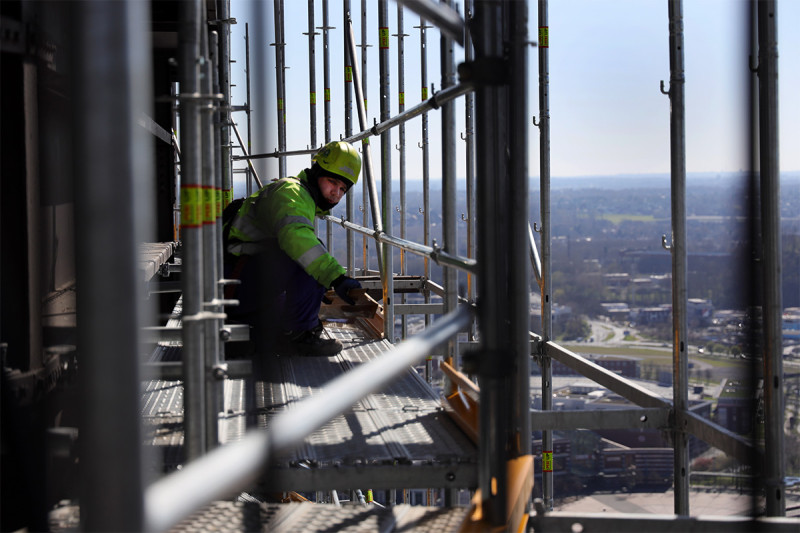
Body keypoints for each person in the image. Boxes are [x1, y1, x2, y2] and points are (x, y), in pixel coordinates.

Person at [223, 141, 362, 356]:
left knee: (308, 258)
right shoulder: (292, 193)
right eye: (332, 181)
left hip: (235, 281)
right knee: (307, 255)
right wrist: (336, 278)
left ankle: (264, 325)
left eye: (343, 188)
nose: (336, 192)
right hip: (233, 286)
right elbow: (296, 238)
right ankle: (298, 335)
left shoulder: (298, 194)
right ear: (317, 174)